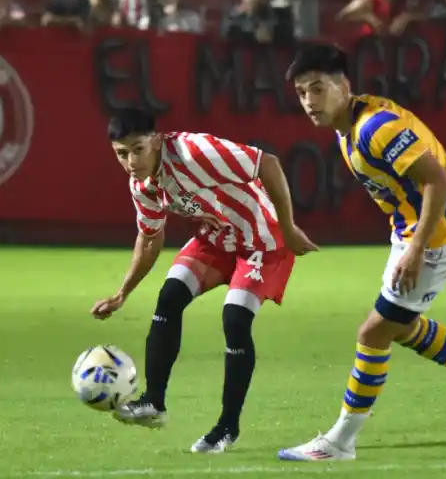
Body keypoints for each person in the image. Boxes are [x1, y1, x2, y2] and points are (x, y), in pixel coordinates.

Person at [277, 44, 446, 462]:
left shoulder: (375, 128)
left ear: (343, 86)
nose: (309, 101)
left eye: (317, 89)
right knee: (400, 327)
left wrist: (417, 248)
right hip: (412, 233)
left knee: (373, 333)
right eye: (301, 93)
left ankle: (340, 441)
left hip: (439, 238)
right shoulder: (349, 125)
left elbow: (438, 181)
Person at [91, 108, 317, 453]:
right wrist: (123, 293)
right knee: (170, 297)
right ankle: (153, 402)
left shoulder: (195, 153)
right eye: (122, 154)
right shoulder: (142, 184)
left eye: (138, 149)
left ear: (156, 141)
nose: (132, 162)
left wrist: (288, 227)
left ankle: (227, 427)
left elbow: (267, 163)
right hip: (216, 237)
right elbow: (150, 238)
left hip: (261, 238)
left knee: (235, 319)